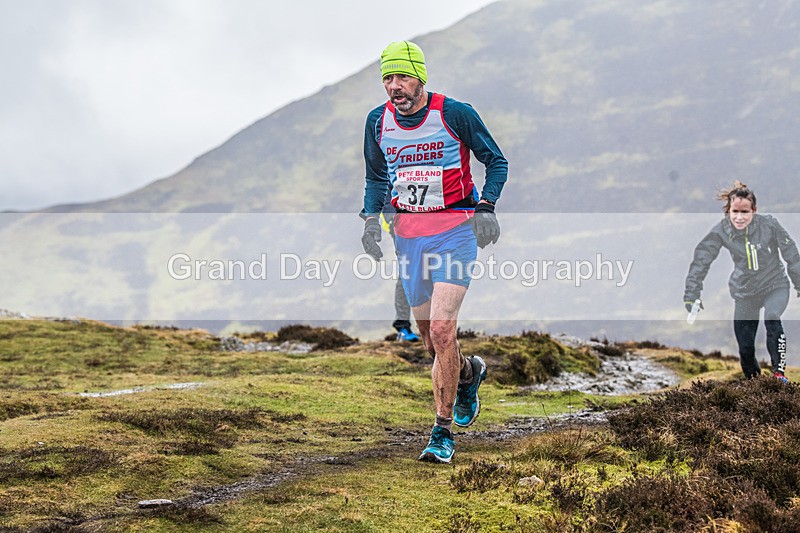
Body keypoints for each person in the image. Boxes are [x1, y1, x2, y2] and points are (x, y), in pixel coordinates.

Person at [360, 40, 508, 463]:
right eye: (387, 78)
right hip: (409, 236)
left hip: (455, 232)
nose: (394, 86)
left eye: (402, 76)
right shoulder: (377, 122)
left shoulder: (454, 113)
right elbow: (376, 178)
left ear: (420, 77)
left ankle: (441, 434)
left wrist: (486, 206)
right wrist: (371, 220)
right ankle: (468, 373)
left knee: (443, 330)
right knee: (429, 341)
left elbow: (496, 161)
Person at [684, 180, 800, 383]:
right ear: (728, 210)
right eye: (734, 211)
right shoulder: (722, 230)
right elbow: (702, 258)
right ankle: (756, 387)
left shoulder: (770, 224)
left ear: (754, 210)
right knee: (745, 349)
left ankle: (778, 373)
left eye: (744, 212)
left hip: (775, 285)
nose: (739, 217)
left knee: (772, 316)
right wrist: (692, 293)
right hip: (745, 292)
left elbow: (792, 255)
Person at [379, 210, 420, 342]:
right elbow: (382, 191)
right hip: (398, 221)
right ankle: (403, 327)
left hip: (423, 221)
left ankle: (436, 325)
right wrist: (391, 218)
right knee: (409, 269)